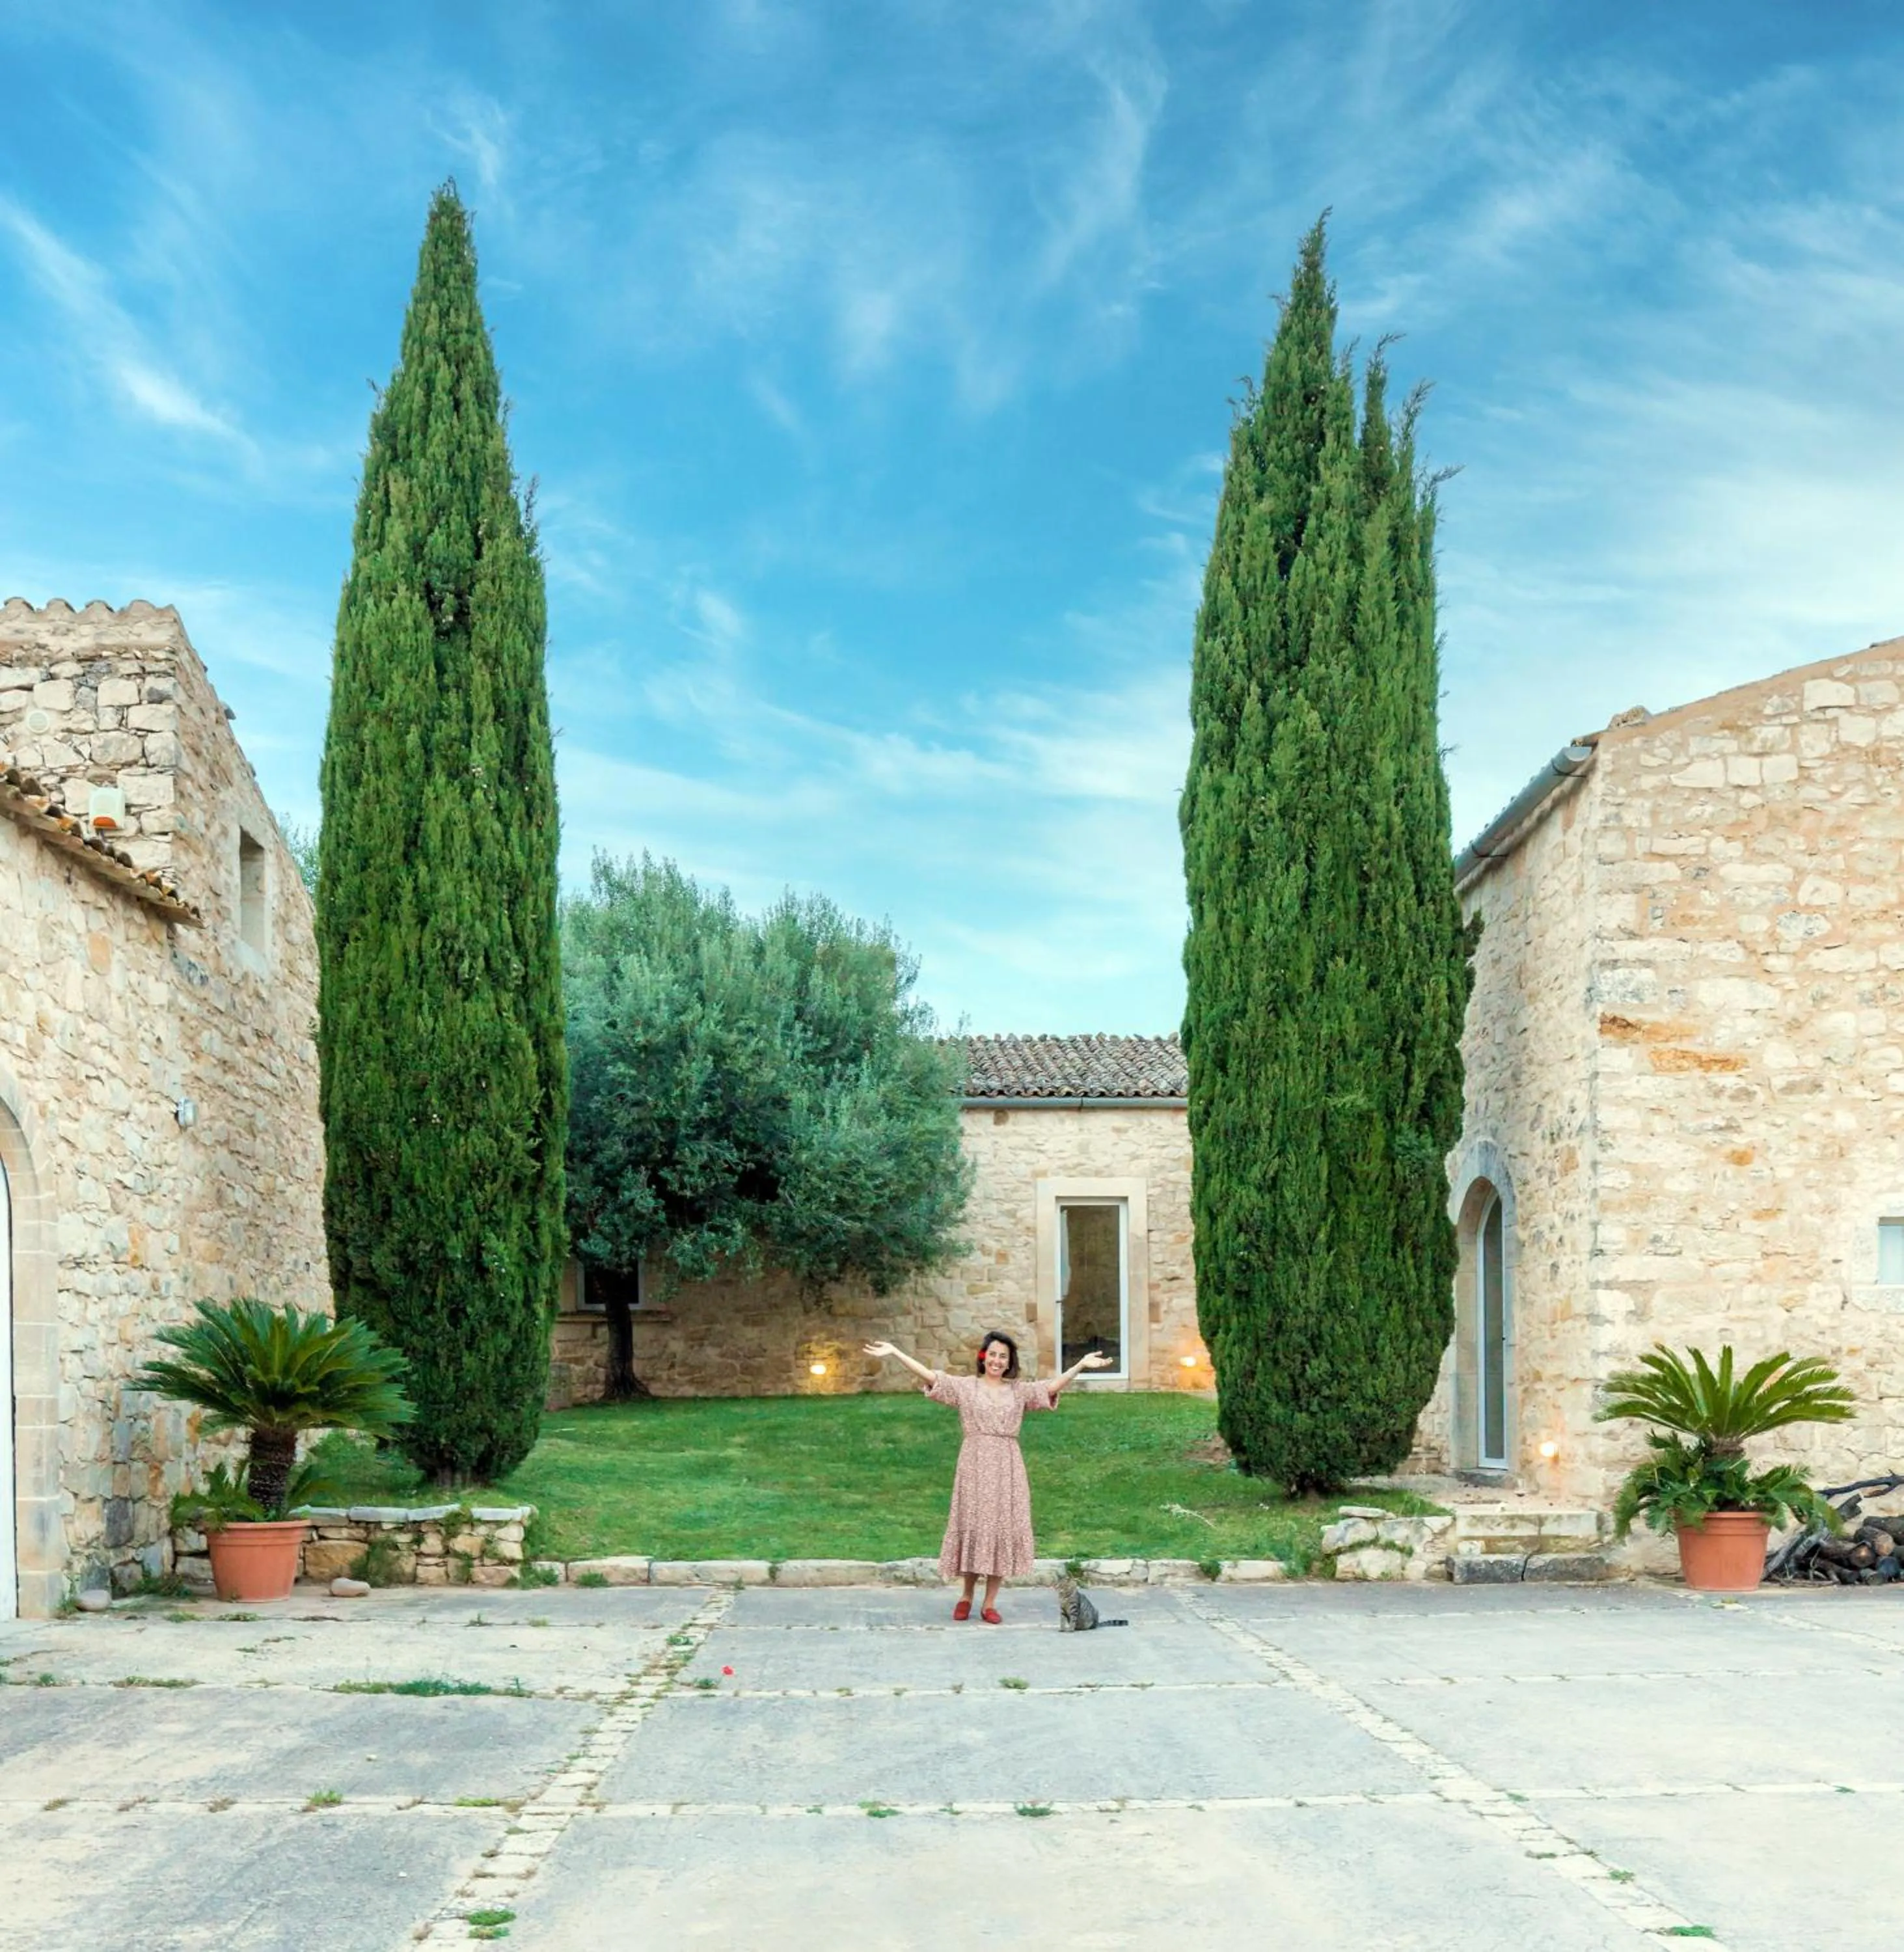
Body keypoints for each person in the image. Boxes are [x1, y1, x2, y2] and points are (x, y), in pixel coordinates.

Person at [863, 1331, 1114, 1622]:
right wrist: (895, 1351)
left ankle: (990, 1603)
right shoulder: (966, 1387)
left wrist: (1080, 1365)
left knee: (1001, 1530)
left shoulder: (1018, 1391)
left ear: (1009, 1362)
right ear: (984, 1357)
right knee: (974, 1525)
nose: (997, 1360)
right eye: (993, 1354)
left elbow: (1049, 1388)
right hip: (974, 1463)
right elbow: (932, 1377)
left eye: (1003, 1357)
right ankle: (966, 1595)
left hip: (1007, 1465)